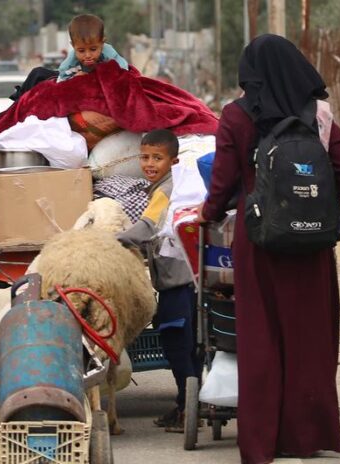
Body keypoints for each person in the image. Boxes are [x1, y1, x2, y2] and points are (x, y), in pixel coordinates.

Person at [198, 35, 340, 463]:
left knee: (261, 337)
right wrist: (318, 199)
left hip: (261, 238)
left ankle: (263, 440)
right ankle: (307, 434)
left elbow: (224, 179)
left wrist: (209, 214)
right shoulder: (318, 112)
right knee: (310, 333)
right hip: (311, 239)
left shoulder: (236, 114)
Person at [116, 129, 200, 433]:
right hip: (188, 277)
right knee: (190, 345)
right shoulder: (170, 185)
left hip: (177, 280)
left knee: (176, 341)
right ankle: (187, 404)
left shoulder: (166, 189)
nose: (149, 164)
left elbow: (147, 227)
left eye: (157, 158)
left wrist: (110, 240)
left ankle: (188, 409)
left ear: (173, 161)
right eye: (145, 157)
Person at [56, 14, 130, 82]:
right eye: (81, 51)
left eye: (93, 49)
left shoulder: (109, 54)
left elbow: (125, 69)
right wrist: (74, 78)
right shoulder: (70, 63)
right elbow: (60, 80)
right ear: (73, 46)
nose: (88, 55)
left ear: (102, 43)